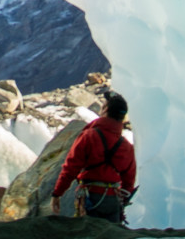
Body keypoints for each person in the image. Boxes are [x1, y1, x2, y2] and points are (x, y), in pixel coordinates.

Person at [51, 92, 136, 223]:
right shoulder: (127, 147)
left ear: (105, 109)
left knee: (89, 238)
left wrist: (57, 194)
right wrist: (123, 200)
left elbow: (71, 168)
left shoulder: (89, 136)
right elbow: (129, 181)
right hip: (113, 201)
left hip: (90, 198)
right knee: (112, 238)